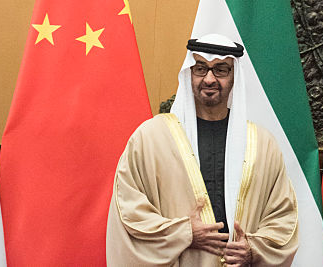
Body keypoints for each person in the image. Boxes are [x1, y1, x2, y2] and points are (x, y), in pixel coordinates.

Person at [106, 34, 299, 266]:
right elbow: (129, 211)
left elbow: (283, 217)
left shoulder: (263, 144)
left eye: (220, 70)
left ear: (235, 76)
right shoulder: (150, 139)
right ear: (189, 73)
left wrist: (253, 249)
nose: (209, 79)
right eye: (200, 69)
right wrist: (184, 233)